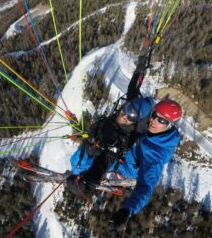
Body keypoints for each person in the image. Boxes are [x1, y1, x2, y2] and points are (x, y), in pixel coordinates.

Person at [110, 99, 182, 232]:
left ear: (169, 125)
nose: (154, 120)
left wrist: (127, 211)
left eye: (161, 120)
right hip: (128, 154)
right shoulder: (156, 134)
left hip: (126, 168)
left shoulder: (155, 155)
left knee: (95, 157)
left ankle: (79, 171)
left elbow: (145, 187)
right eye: (154, 115)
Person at [66, 96, 153, 197]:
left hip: (112, 135)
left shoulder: (78, 163)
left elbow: (92, 155)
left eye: (131, 117)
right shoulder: (81, 163)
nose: (126, 116)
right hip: (121, 137)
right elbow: (128, 169)